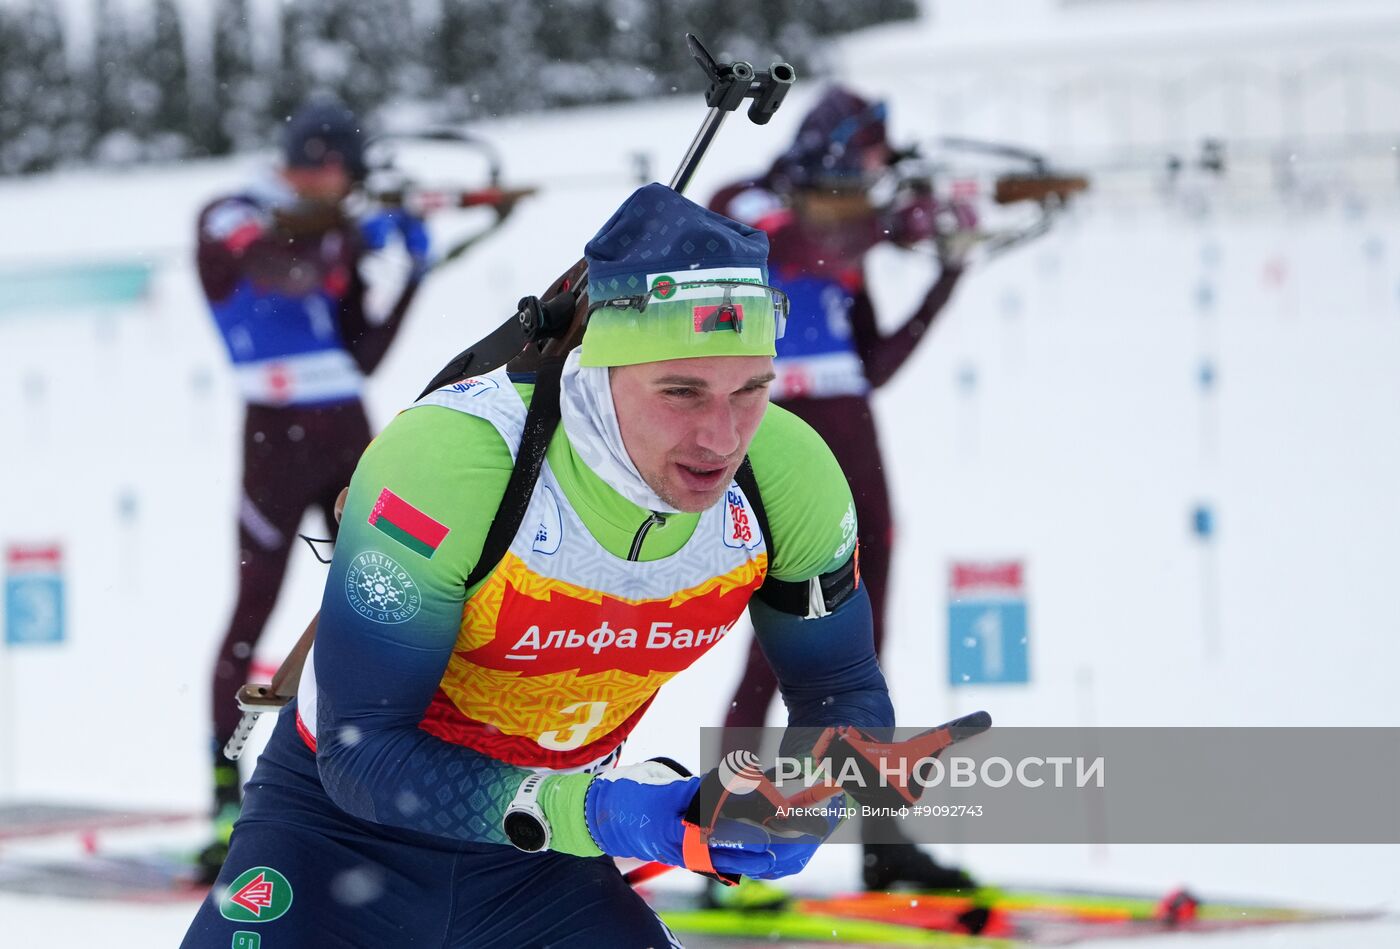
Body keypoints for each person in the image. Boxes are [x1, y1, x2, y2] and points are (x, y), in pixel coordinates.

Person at [181, 182, 896, 947]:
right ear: (600, 366)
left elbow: (840, 686)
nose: (721, 436)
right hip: (335, 840)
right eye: (681, 391)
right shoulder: (454, 461)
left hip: (538, 865)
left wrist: (813, 794)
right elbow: (366, 757)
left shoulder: (786, 477)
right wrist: (605, 811)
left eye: (751, 389)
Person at [710, 86, 976, 892]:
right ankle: (733, 830)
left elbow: (876, 364)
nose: (873, 173)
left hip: (852, 436)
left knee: (862, 651)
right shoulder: (752, 204)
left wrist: (945, 276)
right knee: (775, 649)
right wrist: (895, 224)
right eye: (867, 155)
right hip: (778, 436)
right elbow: (787, 242)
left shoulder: (849, 232)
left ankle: (879, 839)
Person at [194, 97, 450, 880]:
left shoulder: (326, 228)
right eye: (328, 171)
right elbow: (277, 263)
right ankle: (226, 801)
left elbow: (360, 351)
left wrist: (412, 271)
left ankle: (385, 788)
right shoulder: (232, 212)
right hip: (275, 434)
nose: (332, 185)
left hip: (347, 425)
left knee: (394, 603)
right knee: (255, 608)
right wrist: (352, 230)